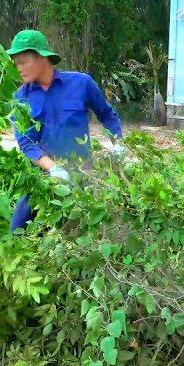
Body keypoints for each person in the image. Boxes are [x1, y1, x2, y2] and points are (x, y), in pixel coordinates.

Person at [8, 29, 125, 232]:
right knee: (17, 231)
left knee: (79, 233)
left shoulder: (81, 83)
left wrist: (118, 145)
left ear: (42, 58)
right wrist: (53, 168)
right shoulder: (21, 98)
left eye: (23, 61)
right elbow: (26, 142)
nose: (18, 68)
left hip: (82, 175)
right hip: (42, 177)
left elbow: (107, 115)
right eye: (16, 63)